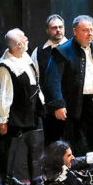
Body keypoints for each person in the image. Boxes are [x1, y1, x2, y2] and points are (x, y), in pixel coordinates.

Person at [45, 15, 93, 156]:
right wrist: (58, 104)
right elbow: (52, 80)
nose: (89, 33)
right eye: (85, 30)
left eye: (91, 30)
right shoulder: (63, 51)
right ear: (75, 32)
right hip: (75, 106)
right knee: (77, 146)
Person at [0, 28, 45, 185]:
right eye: (25, 39)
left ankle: (36, 182)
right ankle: (6, 184)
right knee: (10, 150)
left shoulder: (26, 57)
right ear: (19, 44)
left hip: (32, 110)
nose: (28, 40)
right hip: (16, 113)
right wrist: (3, 119)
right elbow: (4, 94)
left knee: (36, 148)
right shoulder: (5, 65)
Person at [33, 14, 68, 144]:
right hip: (49, 108)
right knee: (52, 144)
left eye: (60, 27)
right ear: (47, 30)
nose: (58, 30)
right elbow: (35, 79)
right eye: (54, 28)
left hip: (73, 106)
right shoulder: (39, 52)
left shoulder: (74, 48)